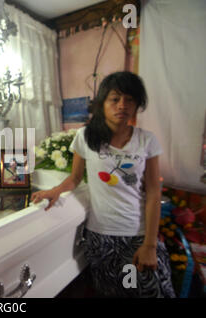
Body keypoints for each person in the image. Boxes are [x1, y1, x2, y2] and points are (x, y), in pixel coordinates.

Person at [31, 71, 176, 298]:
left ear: (137, 104)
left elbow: (154, 193)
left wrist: (149, 244)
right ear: (102, 103)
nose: (122, 105)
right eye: (115, 99)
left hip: (136, 234)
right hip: (100, 237)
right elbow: (75, 178)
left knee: (152, 291)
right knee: (113, 293)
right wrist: (54, 191)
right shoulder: (85, 136)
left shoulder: (147, 140)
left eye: (130, 99)